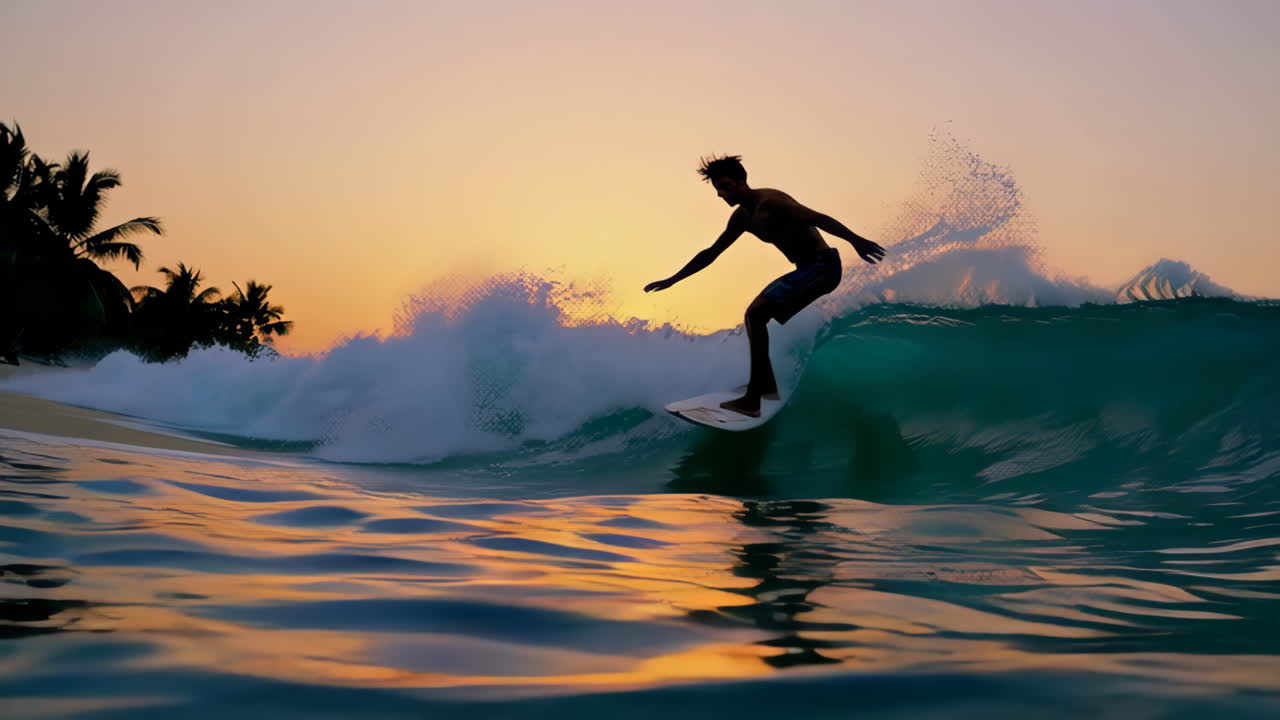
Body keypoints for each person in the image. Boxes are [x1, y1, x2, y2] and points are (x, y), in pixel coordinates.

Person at [645, 155, 885, 417]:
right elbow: (712, 252)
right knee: (753, 317)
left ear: (741, 181)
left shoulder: (771, 202)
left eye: (725, 186)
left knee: (756, 313)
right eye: (717, 189)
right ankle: (765, 387)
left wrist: (856, 241)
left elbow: (819, 218)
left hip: (823, 267)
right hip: (806, 269)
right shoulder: (742, 218)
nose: (720, 194)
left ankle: (753, 399)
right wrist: (672, 279)